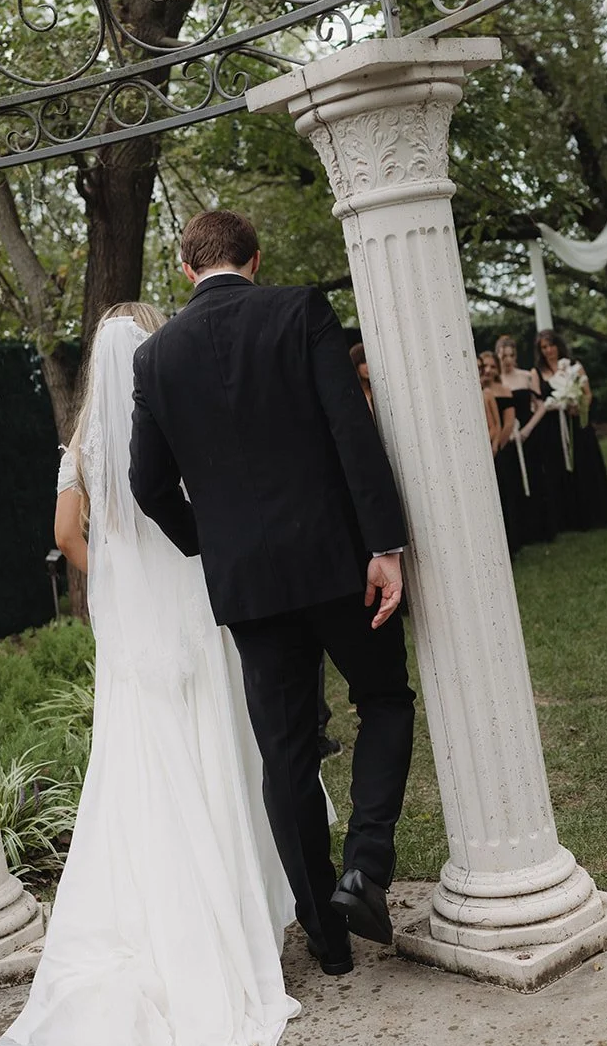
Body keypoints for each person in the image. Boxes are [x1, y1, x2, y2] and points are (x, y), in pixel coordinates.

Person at [0, 303, 299, 1046]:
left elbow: (66, 531)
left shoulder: (79, 446)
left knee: (138, 767)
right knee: (216, 744)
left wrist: (113, 573)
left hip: (133, 625)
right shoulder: (179, 417)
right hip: (190, 600)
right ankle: (242, 909)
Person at [130, 210, 414, 978]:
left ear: (185, 270)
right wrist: (384, 544)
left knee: (284, 753)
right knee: (384, 699)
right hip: (337, 562)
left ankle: (326, 938)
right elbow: (349, 428)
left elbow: (146, 484)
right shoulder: (299, 310)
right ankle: (365, 866)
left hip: (248, 585)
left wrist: (210, 542)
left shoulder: (154, 358)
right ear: (255, 258)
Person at [533, 329, 607, 531]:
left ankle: (596, 514)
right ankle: (569, 518)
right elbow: (537, 401)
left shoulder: (574, 367)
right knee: (560, 470)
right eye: (544, 347)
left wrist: (578, 406)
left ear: (558, 345)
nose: (548, 350)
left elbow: (588, 394)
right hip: (554, 428)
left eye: (551, 345)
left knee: (585, 464)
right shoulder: (537, 373)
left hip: (577, 424)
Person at [494, 333, 556, 545]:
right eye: (504, 356)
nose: (508, 360)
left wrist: (528, 429)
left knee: (536, 476)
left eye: (511, 355)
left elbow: (541, 405)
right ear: (498, 356)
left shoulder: (526, 376)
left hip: (529, 432)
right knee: (514, 482)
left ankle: (543, 528)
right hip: (509, 438)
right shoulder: (496, 382)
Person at [479, 351, 522, 556]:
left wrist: (497, 445)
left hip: (499, 448)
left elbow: (504, 424)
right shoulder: (481, 391)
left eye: (490, 366)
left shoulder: (498, 392)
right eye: (483, 367)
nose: (487, 370)